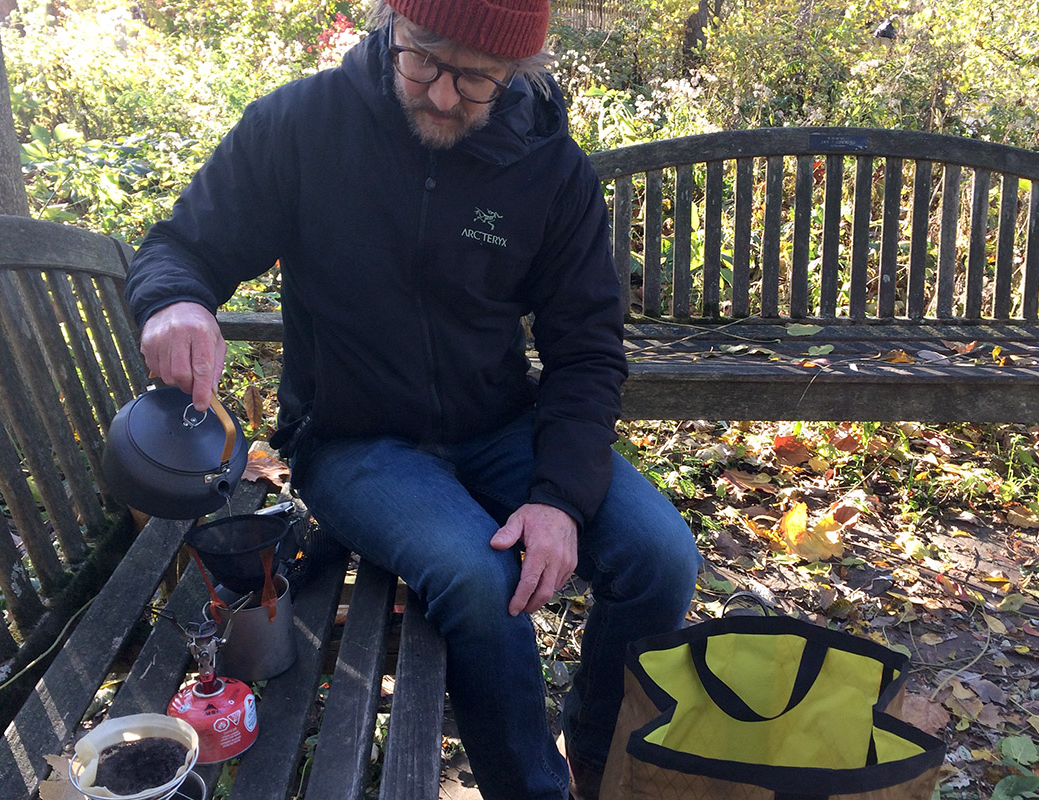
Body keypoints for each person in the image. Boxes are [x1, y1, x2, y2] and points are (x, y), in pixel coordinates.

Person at [124, 1, 701, 797]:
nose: (439, 94)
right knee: (478, 578)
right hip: (354, 442)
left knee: (661, 557)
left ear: (521, 73)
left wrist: (560, 499)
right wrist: (175, 302)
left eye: (474, 79)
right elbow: (183, 245)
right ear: (391, 26)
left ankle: (600, 754)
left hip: (501, 425)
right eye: (423, 59)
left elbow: (587, 348)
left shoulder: (548, 169)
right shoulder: (302, 126)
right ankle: (534, 789)